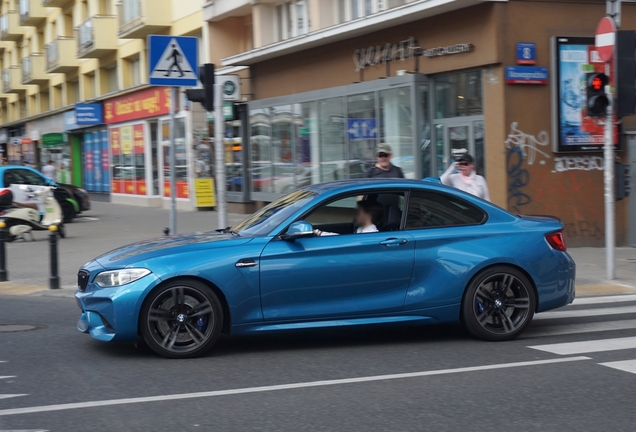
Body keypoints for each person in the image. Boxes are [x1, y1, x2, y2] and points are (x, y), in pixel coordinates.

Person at [313, 200, 383, 237]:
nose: (355, 215)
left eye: (358, 212)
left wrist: (319, 233)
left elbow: (341, 240)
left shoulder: (370, 234)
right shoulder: (361, 229)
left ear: (368, 215)